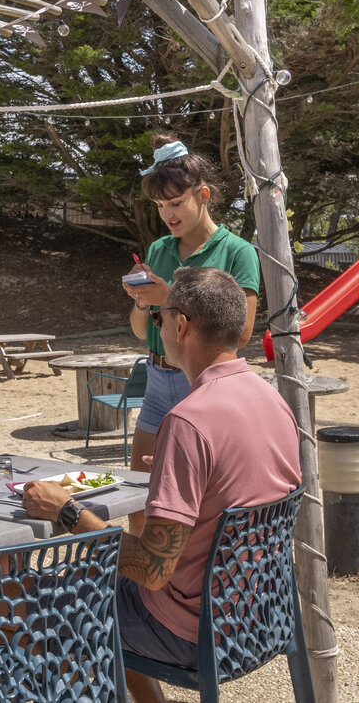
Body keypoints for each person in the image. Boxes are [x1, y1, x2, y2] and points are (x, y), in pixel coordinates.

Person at [24, 267, 300, 703]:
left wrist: (67, 511)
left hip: (195, 632)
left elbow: (152, 570)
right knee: (89, 583)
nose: (160, 328)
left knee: (40, 603)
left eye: (159, 318)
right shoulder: (273, 400)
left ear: (181, 324)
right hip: (260, 616)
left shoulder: (189, 420)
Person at [123, 135, 261, 533]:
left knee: (195, 502)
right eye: (160, 205)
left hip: (203, 384)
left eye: (176, 202)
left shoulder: (238, 252)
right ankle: (143, 585)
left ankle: (183, 585)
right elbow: (140, 332)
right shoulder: (160, 249)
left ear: (203, 195)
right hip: (156, 378)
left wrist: (169, 295)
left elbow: (243, 333)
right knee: (140, 496)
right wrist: (141, 301)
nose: (168, 213)